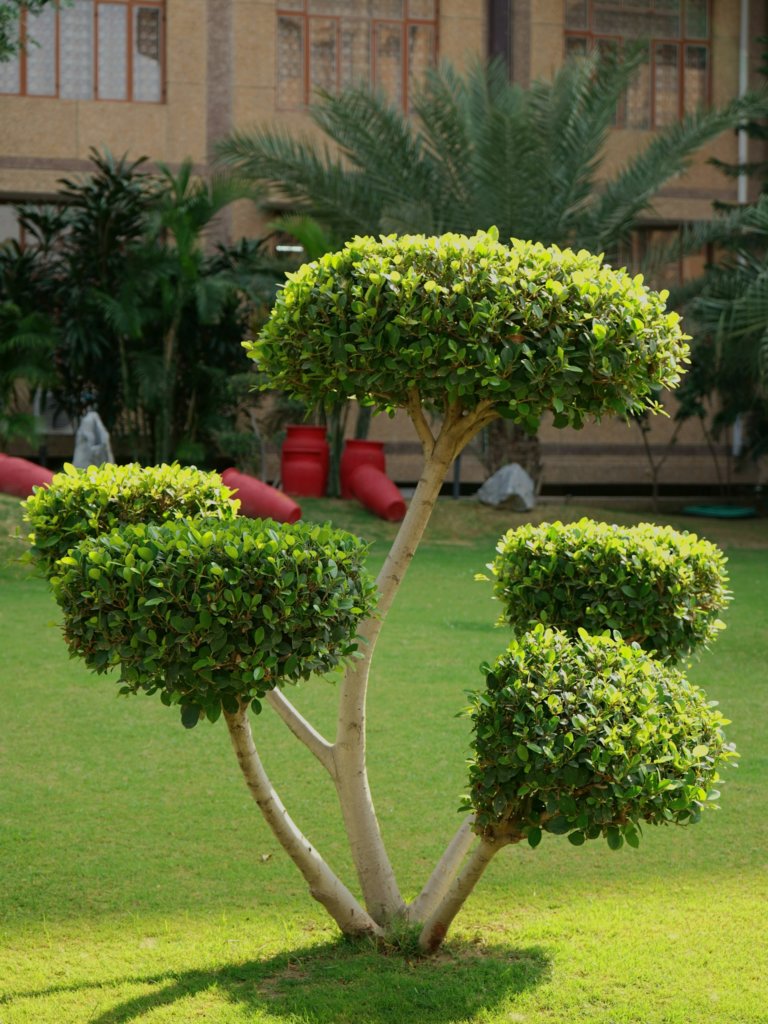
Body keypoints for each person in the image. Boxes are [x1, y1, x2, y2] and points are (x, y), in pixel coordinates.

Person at [72, 390, 115, 469]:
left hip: (87, 461)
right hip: (85, 460)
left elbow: (94, 440)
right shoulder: (89, 419)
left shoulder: (90, 419)